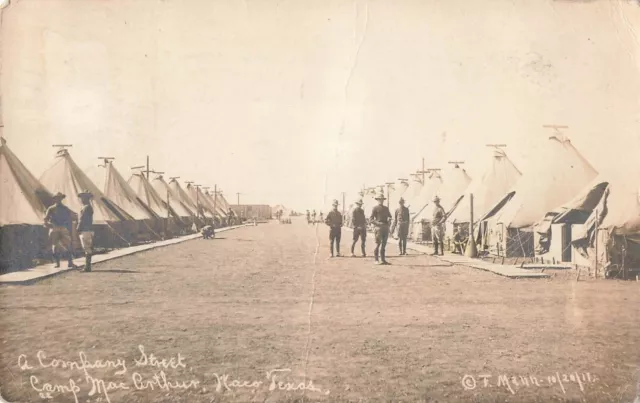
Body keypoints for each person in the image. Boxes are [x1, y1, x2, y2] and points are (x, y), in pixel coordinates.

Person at [44, 192, 76, 269]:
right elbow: (46, 219)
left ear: (62, 199)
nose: (58, 199)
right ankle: (57, 263)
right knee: (55, 246)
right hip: (54, 228)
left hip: (63, 228)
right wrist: (49, 224)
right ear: (54, 199)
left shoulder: (65, 208)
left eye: (59, 198)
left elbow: (73, 216)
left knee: (68, 245)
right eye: (56, 198)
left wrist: (68, 224)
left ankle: (70, 262)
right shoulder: (51, 208)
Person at [370, 190, 392, 265]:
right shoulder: (375, 208)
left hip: (385, 227)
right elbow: (371, 219)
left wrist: (389, 220)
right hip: (378, 228)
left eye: (382, 199)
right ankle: (376, 259)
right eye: (379, 199)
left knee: (384, 244)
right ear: (377, 200)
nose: (381, 201)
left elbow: (390, 216)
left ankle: (383, 259)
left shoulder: (386, 208)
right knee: (377, 244)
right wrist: (377, 223)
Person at [77, 190, 94, 272]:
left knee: (87, 248)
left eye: (83, 197)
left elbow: (82, 219)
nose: (81, 199)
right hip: (87, 229)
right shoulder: (87, 207)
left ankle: (87, 267)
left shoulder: (86, 207)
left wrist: (78, 227)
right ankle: (87, 266)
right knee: (87, 248)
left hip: (86, 230)